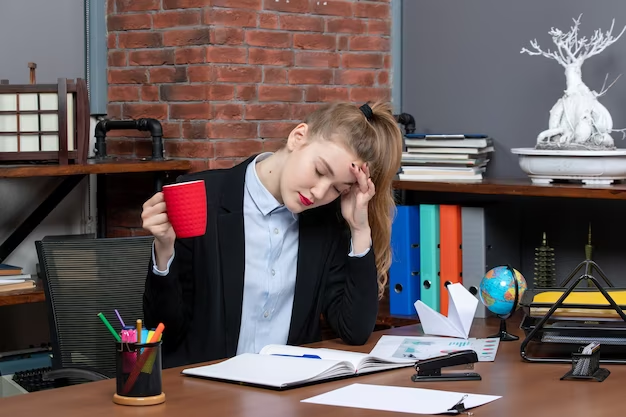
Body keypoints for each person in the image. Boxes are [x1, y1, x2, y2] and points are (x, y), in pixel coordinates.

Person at [141, 101, 403, 368]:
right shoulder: (201, 198)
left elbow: (354, 331)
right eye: (320, 171)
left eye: (338, 188)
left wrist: (359, 230)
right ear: (298, 137)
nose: (320, 193)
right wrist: (164, 251)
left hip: (287, 392)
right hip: (203, 395)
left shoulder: (326, 224)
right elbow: (164, 330)